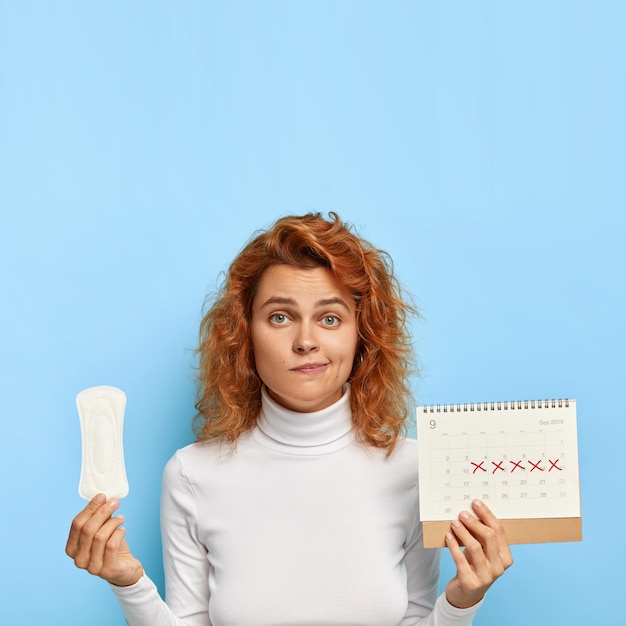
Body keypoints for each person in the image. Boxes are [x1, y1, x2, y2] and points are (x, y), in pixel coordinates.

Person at [66, 212, 513, 625]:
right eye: (280, 317)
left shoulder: (413, 470)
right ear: (244, 333)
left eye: (330, 318)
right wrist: (129, 583)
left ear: (363, 335)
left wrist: (462, 600)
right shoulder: (191, 475)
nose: (306, 341)